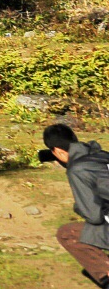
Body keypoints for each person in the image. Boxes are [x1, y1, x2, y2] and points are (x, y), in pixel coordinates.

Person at [46, 122, 109, 285]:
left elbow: (94, 216)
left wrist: (78, 207)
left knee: (67, 233)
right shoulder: (103, 156)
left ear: (58, 151)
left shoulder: (78, 169)